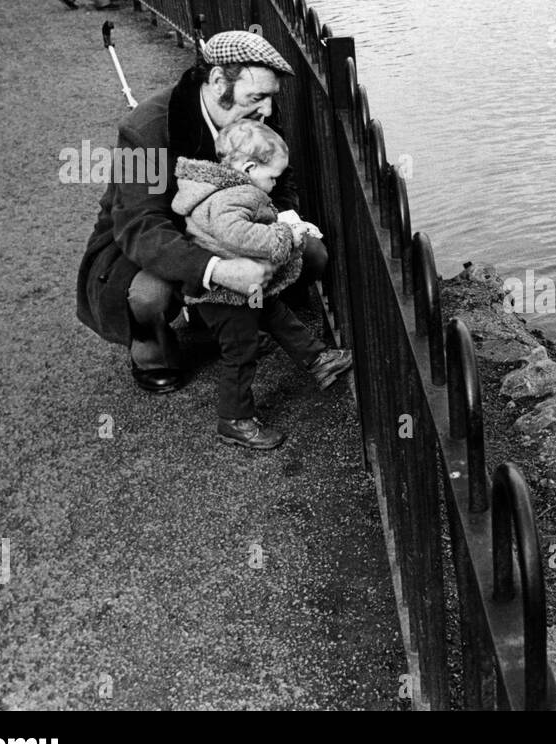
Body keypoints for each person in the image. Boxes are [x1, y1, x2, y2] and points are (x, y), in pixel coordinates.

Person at [76, 30, 340, 394]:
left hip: (225, 227)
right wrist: (219, 269)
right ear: (218, 82)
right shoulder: (146, 130)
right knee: (147, 295)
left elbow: (282, 182)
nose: (266, 110)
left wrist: (284, 222)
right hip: (152, 239)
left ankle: (226, 319)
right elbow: (141, 227)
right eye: (257, 96)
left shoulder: (256, 117)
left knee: (311, 254)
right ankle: (151, 351)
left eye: (270, 98)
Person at [172, 120, 351, 449]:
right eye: (272, 177)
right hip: (224, 296)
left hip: (243, 291)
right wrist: (287, 234)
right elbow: (238, 235)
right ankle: (235, 419)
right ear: (249, 167)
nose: (274, 185)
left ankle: (318, 359)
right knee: (240, 353)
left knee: (276, 315)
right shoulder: (230, 197)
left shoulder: (228, 189)